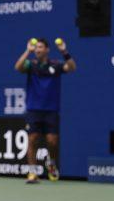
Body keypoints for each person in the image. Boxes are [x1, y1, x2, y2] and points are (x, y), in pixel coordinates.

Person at [14, 38, 76, 183]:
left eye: (40, 47)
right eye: (36, 48)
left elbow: (72, 67)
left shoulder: (56, 65)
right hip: (33, 110)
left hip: (51, 111)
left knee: (52, 142)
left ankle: (52, 164)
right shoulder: (31, 65)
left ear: (47, 49)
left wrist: (64, 52)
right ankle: (32, 173)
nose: (38, 50)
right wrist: (27, 51)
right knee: (32, 139)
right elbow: (18, 67)